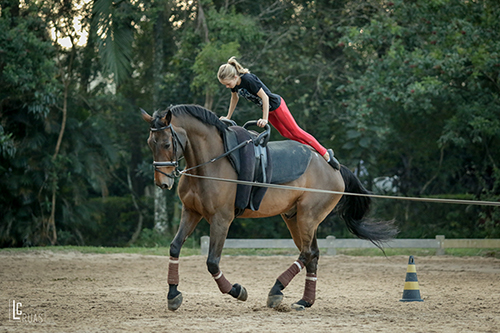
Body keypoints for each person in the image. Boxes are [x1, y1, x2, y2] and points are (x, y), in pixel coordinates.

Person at [217, 56, 340, 170]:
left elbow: (265, 97)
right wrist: (228, 116)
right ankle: (315, 150)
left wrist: (264, 119)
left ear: (235, 77)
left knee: (296, 131)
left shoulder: (248, 80)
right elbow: (234, 98)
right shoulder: (234, 84)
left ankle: (325, 154)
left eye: (228, 84)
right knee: (285, 133)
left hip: (276, 105)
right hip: (268, 110)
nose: (228, 86)